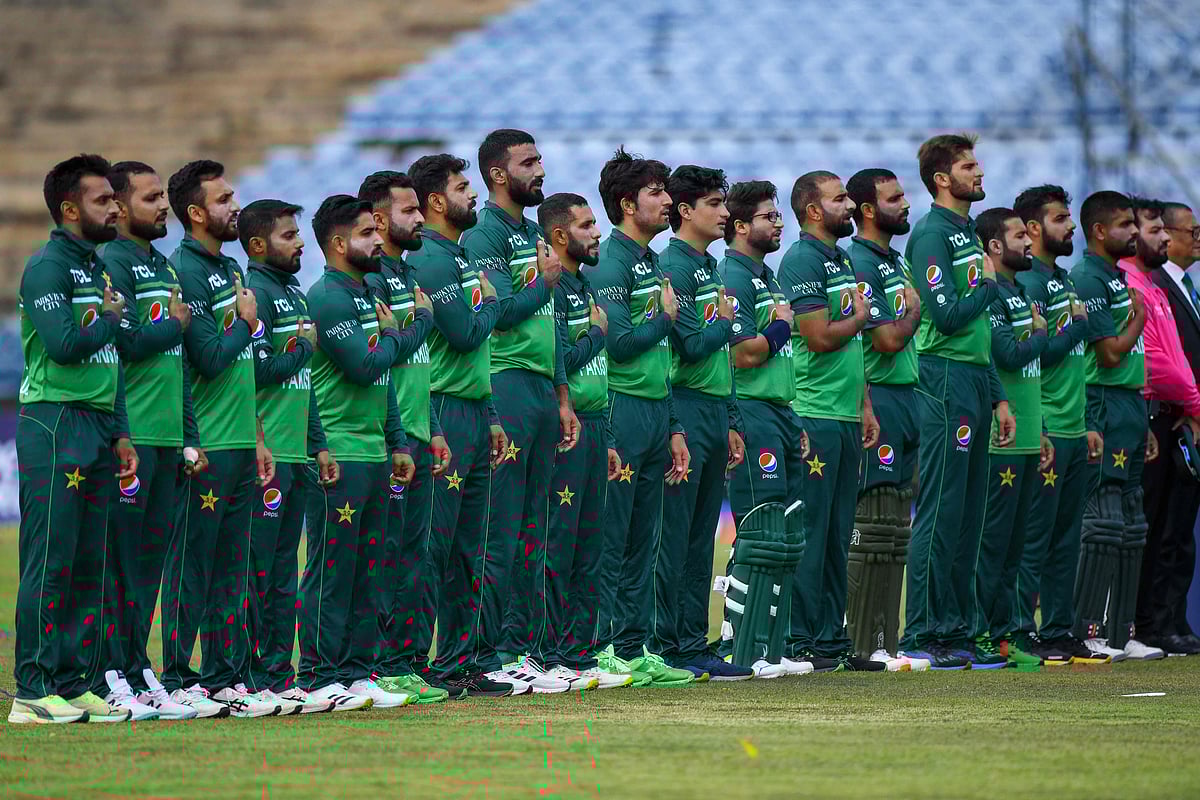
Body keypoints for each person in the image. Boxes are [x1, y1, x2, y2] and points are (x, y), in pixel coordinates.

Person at [10, 154, 139, 724]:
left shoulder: (96, 270)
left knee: (90, 558)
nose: (115, 208)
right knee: (52, 557)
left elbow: (107, 358)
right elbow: (64, 345)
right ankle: (32, 688)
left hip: (95, 423)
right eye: (102, 200)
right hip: (54, 420)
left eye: (115, 199)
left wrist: (120, 431)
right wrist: (110, 317)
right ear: (69, 209)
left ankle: (74, 680)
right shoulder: (46, 269)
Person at [159, 160, 279, 718]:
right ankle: (180, 674)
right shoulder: (180, 269)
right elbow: (207, 359)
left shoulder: (231, 269)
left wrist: (257, 435)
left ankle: (224, 676)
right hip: (203, 444)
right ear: (197, 212)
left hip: (239, 442)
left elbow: (243, 369)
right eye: (225, 198)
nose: (236, 205)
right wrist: (246, 325)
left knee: (232, 567)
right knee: (193, 565)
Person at [462, 130, 580, 693]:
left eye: (540, 159)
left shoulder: (534, 234)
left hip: (539, 390)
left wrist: (562, 396)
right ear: (496, 174)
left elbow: (553, 323)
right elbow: (502, 313)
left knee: (536, 528)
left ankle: (524, 648)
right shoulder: (483, 235)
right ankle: (492, 652)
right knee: (502, 528)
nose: (540, 169)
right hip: (505, 383)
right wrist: (544, 282)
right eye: (528, 162)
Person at [899, 134, 1016, 670]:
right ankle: (922, 633)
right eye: (969, 165)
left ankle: (957, 631)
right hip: (943, 380)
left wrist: (998, 399)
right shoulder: (930, 233)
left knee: (970, 514)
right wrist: (989, 288)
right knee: (942, 509)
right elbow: (945, 317)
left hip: (973, 380)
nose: (979, 171)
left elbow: (979, 333)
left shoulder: (967, 232)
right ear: (942, 178)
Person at [297, 195, 417, 709]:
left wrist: (396, 440)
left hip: (372, 452)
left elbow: (383, 378)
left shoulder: (367, 292)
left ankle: (358, 669)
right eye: (368, 233)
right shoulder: (326, 297)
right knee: (332, 567)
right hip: (338, 454)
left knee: (370, 565)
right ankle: (319, 670)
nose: (378, 240)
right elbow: (364, 367)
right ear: (341, 243)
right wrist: (398, 333)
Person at [90, 161, 201, 719]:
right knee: (120, 562)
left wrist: (189, 434)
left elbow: (177, 365)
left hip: (166, 441)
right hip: (131, 439)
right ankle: (107, 672)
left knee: (150, 563)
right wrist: (174, 325)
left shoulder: (160, 263)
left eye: (164, 196)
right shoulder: (112, 261)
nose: (164, 206)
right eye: (152, 197)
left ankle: (135, 668)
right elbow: (126, 342)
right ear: (120, 203)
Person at [406, 154, 516, 697]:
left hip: (473, 409)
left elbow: (479, 346)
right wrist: (496, 301)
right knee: (437, 545)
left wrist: (492, 413)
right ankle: (412, 659)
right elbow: (466, 335)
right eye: (460, 187)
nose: (471, 195)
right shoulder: (429, 258)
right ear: (434, 202)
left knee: (469, 546)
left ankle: (458, 660)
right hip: (445, 408)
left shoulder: (459, 255)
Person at [586, 147, 694, 687]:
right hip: (623, 411)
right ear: (628, 203)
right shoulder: (611, 262)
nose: (668, 200)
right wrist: (666, 319)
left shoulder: (651, 262)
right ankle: (603, 646)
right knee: (616, 534)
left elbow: (660, 359)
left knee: (645, 538)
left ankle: (635, 645)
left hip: (655, 411)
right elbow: (622, 345)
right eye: (656, 192)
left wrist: (675, 426)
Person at [778, 170, 881, 672]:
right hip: (814, 413)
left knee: (841, 530)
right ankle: (800, 638)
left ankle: (830, 639)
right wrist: (861, 317)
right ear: (814, 210)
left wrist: (864, 404)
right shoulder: (801, 259)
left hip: (843, 413)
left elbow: (852, 347)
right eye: (840, 199)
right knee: (813, 530)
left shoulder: (839, 257)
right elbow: (818, 336)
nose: (849, 206)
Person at [358, 171, 453, 702]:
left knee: (414, 555)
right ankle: (374, 664)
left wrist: (433, 427)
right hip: (382, 439)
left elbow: (418, 368)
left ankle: (406, 661)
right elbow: (389, 357)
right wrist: (422, 319)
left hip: (418, 432)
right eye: (409, 211)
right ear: (377, 219)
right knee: (384, 554)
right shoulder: (369, 282)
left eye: (421, 209)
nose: (420, 219)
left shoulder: (406, 275)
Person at [242, 199, 339, 713]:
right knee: (258, 568)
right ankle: (253, 674)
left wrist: (319, 442)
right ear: (258, 246)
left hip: (297, 453)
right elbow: (254, 370)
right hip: (267, 455)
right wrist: (302, 349)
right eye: (288, 236)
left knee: (282, 569)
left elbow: (305, 386)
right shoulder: (256, 292)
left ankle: (279, 674)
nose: (300, 242)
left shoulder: (293, 294)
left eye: (299, 234)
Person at [655, 165, 749, 681]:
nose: (724, 213)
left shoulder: (709, 267)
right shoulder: (674, 264)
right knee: (676, 535)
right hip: (686, 405)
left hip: (714, 407)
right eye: (714, 203)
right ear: (686, 211)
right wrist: (727, 321)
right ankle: (666, 642)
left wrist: (732, 416)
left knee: (700, 536)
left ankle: (693, 642)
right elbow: (690, 347)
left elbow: (720, 355)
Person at [538, 192, 632, 688]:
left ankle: (579, 651)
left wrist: (611, 436)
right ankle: (548, 650)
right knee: (560, 542)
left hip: (596, 426)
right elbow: (562, 365)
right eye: (586, 226)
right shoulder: (553, 291)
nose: (597, 233)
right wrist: (596, 334)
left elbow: (601, 373)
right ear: (559, 236)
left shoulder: (585, 286)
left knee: (590, 544)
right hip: (566, 429)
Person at [718, 180, 809, 678]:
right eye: (768, 216)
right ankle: (741, 645)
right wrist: (778, 327)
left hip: (778, 410)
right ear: (740, 225)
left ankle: (773, 648)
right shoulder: (731, 272)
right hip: (750, 408)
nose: (778, 223)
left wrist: (791, 416)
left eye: (778, 215)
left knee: (786, 533)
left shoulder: (767, 276)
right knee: (759, 531)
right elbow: (741, 353)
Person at [1011, 185, 1103, 665]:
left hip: (1073, 427)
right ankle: (1024, 630)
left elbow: (1077, 364)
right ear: (1032, 228)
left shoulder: (1064, 281)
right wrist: (1076, 329)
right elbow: (1037, 356)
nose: (1070, 227)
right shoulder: (1026, 284)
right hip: (1044, 427)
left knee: (1068, 537)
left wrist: (1086, 421)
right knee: (1035, 536)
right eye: (1061, 218)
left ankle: (1061, 628)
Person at [843, 168, 927, 671]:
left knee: (896, 520)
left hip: (906, 397)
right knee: (873, 519)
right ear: (868, 210)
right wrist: (913, 312)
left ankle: (887, 641)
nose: (905, 204)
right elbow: (887, 339)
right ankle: (859, 641)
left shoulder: (893, 261)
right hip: (877, 397)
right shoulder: (860, 261)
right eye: (895, 198)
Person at [1069, 190, 1158, 661]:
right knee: (1102, 521)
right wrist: (1139, 321)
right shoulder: (1087, 277)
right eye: (1126, 225)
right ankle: (1088, 629)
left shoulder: (1119, 279)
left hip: (1127, 406)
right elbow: (1107, 353)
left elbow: (1128, 360)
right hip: (1102, 403)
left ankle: (1123, 633)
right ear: (1100, 231)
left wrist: (1142, 417)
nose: (1134, 233)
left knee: (1131, 522)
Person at [1113, 197, 1200, 658]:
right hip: (1150, 415)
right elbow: (1158, 363)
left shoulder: (1152, 285)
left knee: (1167, 529)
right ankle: (1136, 624)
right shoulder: (1133, 283)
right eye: (1152, 229)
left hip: (1169, 416)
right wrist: (1195, 403)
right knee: (1142, 528)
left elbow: (1175, 359)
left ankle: (1158, 623)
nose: (1162, 236)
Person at [966, 207, 1051, 668]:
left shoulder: (1019, 291)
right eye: (1020, 235)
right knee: (991, 544)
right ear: (994, 245)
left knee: (1015, 548)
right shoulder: (993, 294)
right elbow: (1008, 355)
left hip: (1027, 434)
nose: (1029, 242)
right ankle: (978, 631)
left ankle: (1004, 634)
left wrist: (1043, 430)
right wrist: (1041, 332)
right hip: (1000, 438)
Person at [1139, 200, 1200, 655]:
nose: (1195, 238)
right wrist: (1193, 406)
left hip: (1186, 420)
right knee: (1163, 528)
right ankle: (1154, 623)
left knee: (1179, 530)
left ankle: (1173, 620)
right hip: (1172, 421)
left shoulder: (1183, 289)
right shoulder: (1153, 285)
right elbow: (1165, 361)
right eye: (1188, 231)